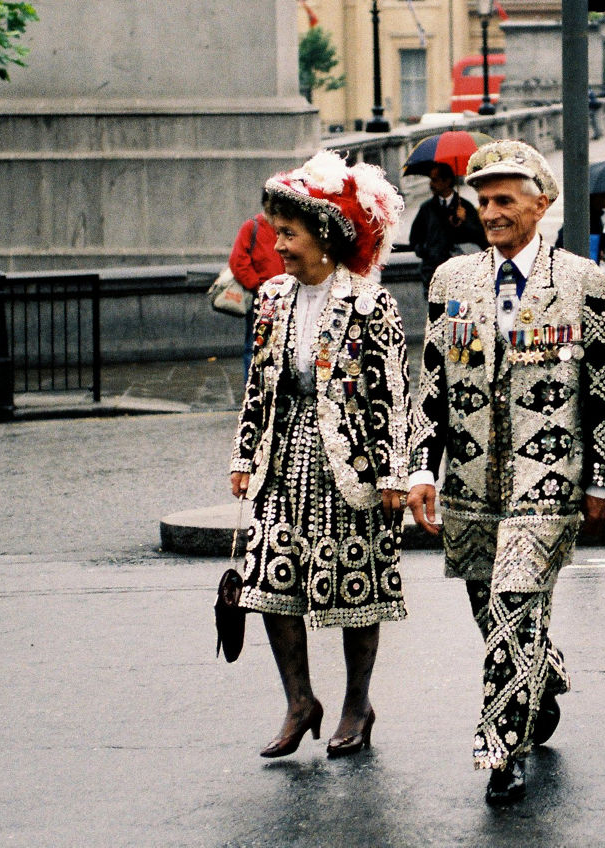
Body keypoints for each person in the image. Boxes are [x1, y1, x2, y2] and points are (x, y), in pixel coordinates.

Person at [406, 140, 605, 806]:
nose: (490, 212)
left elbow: (602, 390)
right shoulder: (452, 282)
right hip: (470, 482)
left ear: (541, 204)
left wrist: (602, 480)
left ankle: (503, 752)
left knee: (514, 603)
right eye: (483, 200)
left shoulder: (585, 281)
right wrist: (418, 468)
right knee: (492, 612)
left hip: (547, 482)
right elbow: (431, 384)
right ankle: (544, 673)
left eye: (503, 200)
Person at [228, 150, 410, 761]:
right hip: (285, 457)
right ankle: (300, 701)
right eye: (276, 232)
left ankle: (358, 702)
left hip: (349, 464)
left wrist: (393, 473)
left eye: (289, 233)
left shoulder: (369, 301)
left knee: (354, 582)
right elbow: (259, 379)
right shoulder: (274, 298)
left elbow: (391, 391)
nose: (277, 245)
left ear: (325, 236)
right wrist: (245, 455)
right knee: (268, 580)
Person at [409, 161, 488, 293]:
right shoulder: (426, 209)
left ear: (447, 181)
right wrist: (426, 252)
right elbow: (414, 239)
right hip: (432, 275)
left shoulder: (465, 207)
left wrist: (465, 222)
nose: (430, 184)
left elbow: (482, 239)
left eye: (434, 180)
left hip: (462, 275)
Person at [228, 192, 283, 375]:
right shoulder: (252, 227)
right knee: (254, 346)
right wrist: (258, 286)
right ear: (265, 203)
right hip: (262, 298)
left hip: (287, 296)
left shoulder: (286, 227)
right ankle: (251, 392)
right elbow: (238, 261)